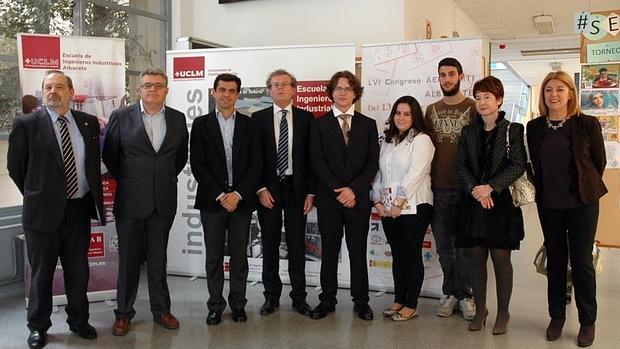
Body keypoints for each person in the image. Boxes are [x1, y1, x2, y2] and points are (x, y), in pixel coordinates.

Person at [7, 70, 105, 348]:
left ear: (71, 92)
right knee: (42, 273)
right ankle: (38, 326)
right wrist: (39, 193)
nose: (53, 91)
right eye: (48, 87)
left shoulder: (87, 123)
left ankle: (79, 320)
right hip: (42, 213)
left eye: (59, 87)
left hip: (78, 209)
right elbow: (16, 168)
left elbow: (90, 165)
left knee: (78, 270)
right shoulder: (26, 124)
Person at [102, 68, 188, 336]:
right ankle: (124, 313)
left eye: (158, 85)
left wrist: (157, 178)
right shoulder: (121, 117)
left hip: (163, 201)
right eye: (147, 85)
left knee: (158, 259)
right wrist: (134, 180)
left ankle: (161, 310)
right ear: (138, 90)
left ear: (166, 90)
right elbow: (111, 157)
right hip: (130, 201)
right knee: (128, 261)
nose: (153, 89)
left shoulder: (177, 118)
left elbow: (179, 158)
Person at [527, 71, 607, 347]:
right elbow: (535, 164)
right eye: (549, 89)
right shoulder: (534, 127)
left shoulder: (587, 124)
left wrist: (584, 186)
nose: (554, 94)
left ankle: (587, 320)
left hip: (583, 203)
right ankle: (557, 315)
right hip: (550, 204)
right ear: (543, 95)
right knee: (556, 261)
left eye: (560, 89)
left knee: (582, 261)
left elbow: (599, 162)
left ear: (570, 94)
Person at [455, 76, 526, 335]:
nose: (482, 102)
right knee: (475, 256)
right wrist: (477, 190)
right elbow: (461, 166)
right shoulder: (468, 131)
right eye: (478, 97)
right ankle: (481, 308)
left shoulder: (513, 130)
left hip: (502, 203)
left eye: (487, 97)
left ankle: (503, 312)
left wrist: (490, 187)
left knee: (500, 257)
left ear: (499, 99)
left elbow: (518, 164)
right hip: (473, 202)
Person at [190, 73, 261, 326]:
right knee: (214, 257)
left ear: (238, 94)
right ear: (213, 92)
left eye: (232, 90)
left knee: (240, 256)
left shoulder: (250, 125)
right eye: (222, 90)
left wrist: (238, 195)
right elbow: (198, 165)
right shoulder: (200, 124)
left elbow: (256, 165)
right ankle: (215, 306)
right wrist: (222, 195)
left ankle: (238, 305)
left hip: (241, 201)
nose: (226, 95)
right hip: (213, 202)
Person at [309, 70, 379, 321]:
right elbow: (317, 162)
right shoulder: (319, 124)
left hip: (358, 201)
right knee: (329, 251)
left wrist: (353, 190)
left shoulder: (368, 124)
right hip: (329, 201)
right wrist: (339, 191)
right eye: (338, 88)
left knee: (358, 251)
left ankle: (361, 302)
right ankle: (327, 300)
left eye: (347, 88)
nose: (342, 93)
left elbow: (372, 163)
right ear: (331, 92)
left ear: (355, 93)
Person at [253, 69, 314, 317]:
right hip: (268, 189)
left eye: (285, 84)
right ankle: (271, 298)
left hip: (297, 189)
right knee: (269, 244)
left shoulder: (307, 119)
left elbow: (312, 160)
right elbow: (252, 159)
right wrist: (259, 188)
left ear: (294, 89)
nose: (280, 88)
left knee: (298, 245)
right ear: (269, 90)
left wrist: (311, 192)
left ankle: (299, 298)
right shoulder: (256, 119)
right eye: (275, 85)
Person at [371, 95, 435, 321]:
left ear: (414, 116)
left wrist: (398, 203)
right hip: (388, 208)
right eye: (398, 112)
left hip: (415, 206)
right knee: (397, 255)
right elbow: (379, 173)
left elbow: (414, 175)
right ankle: (399, 299)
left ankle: (411, 303)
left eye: (407, 113)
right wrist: (377, 201)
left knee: (411, 254)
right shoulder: (387, 140)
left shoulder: (422, 140)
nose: (401, 117)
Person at [424, 57, 476, 319]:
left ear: (461, 76)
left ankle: (466, 295)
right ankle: (450, 293)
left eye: (451, 74)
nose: (447, 79)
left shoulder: (474, 107)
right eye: (442, 75)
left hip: (467, 189)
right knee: (444, 246)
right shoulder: (431, 110)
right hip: (439, 188)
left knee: (464, 247)